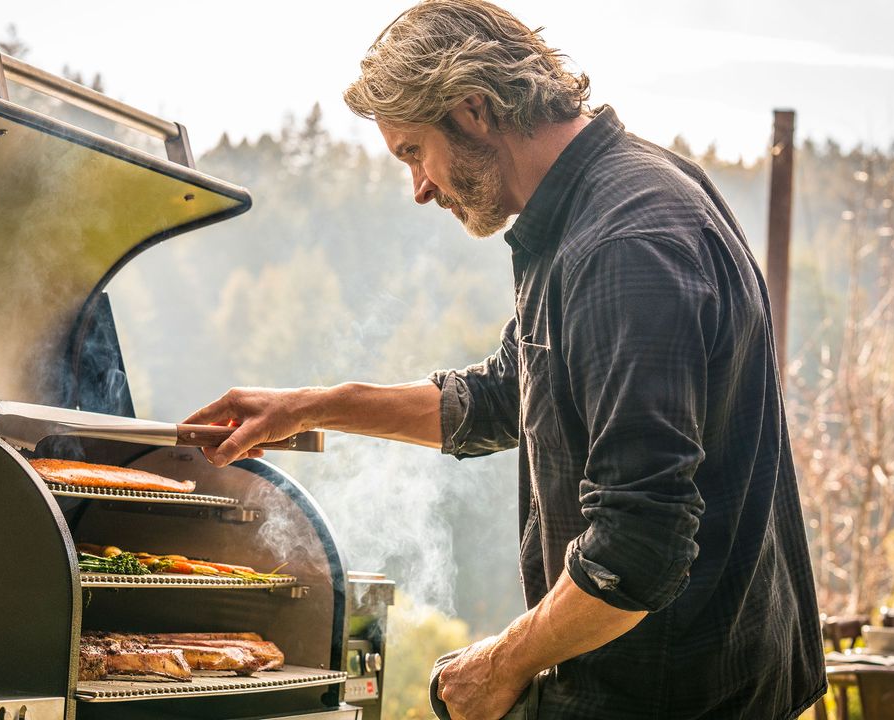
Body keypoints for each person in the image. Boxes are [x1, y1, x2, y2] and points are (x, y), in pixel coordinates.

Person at [185, 1, 826, 717]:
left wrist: (498, 665)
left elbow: (638, 549)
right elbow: (504, 396)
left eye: (412, 152)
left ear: (474, 110)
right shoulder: (594, 207)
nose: (419, 188)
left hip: (675, 696)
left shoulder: (624, 243)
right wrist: (309, 407)